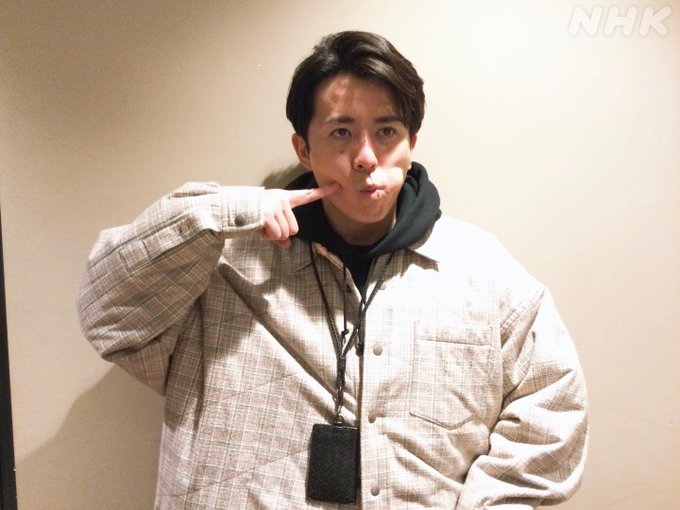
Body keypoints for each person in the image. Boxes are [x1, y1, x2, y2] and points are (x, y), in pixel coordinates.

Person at [78, 31, 588, 509]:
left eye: (386, 131)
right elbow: (108, 315)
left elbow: (553, 407)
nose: (365, 157)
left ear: (411, 142)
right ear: (303, 147)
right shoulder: (225, 262)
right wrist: (221, 212)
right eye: (341, 132)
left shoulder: (482, 271)